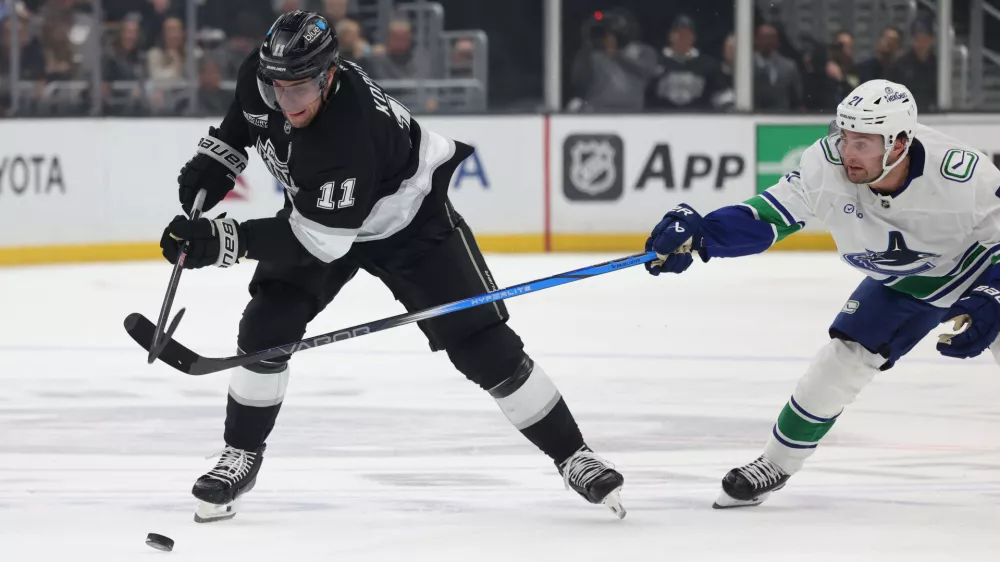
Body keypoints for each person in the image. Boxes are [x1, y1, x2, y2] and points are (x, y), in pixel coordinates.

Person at [157, 10, 625, 523]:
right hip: (323, 213)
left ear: (328, 75)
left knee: (484, 348)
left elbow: (319, 243)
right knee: (268, 325)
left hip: (411, 224)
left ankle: (573, 454)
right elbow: (244, 120)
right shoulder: (265, 76)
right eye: (276, 88)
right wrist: (217, 161)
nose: (285, 102)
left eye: (299, 90)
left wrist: (223, 239)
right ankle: (241, 454)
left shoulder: (348, 133)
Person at [643, 79, 1000, 508]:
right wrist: (704, 235)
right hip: (908, 280)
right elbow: (769, 216)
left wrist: (992, 296)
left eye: (864, 142)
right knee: (841, 361)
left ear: (901, 142)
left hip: (981, 267)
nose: (849, 152)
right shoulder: (825, 163)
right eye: (846, 136)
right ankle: (776, 463)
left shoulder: (964, 174)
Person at [645, 14, 719, 111]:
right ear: (671, 35)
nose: (683, 37)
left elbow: (715, 94)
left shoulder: (707, 64)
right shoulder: (655, 61)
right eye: (679, 33)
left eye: (687, 34)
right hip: (662, 116)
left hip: (698, 117)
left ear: (693, 37)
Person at [888, 17, 937, 113]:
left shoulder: (938, 66)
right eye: (917, 38)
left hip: (931, 115)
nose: (921, 43)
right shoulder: (899, 64)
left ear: (932, 39)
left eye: (924, 38)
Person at [753, 23, 802, 111]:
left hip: (781, 118)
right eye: (764, 37)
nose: (768, 41)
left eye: (772, 37)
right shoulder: (746, 66)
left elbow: (796, 98)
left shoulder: (789, 67)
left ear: (777, 40)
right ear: (756, 39)